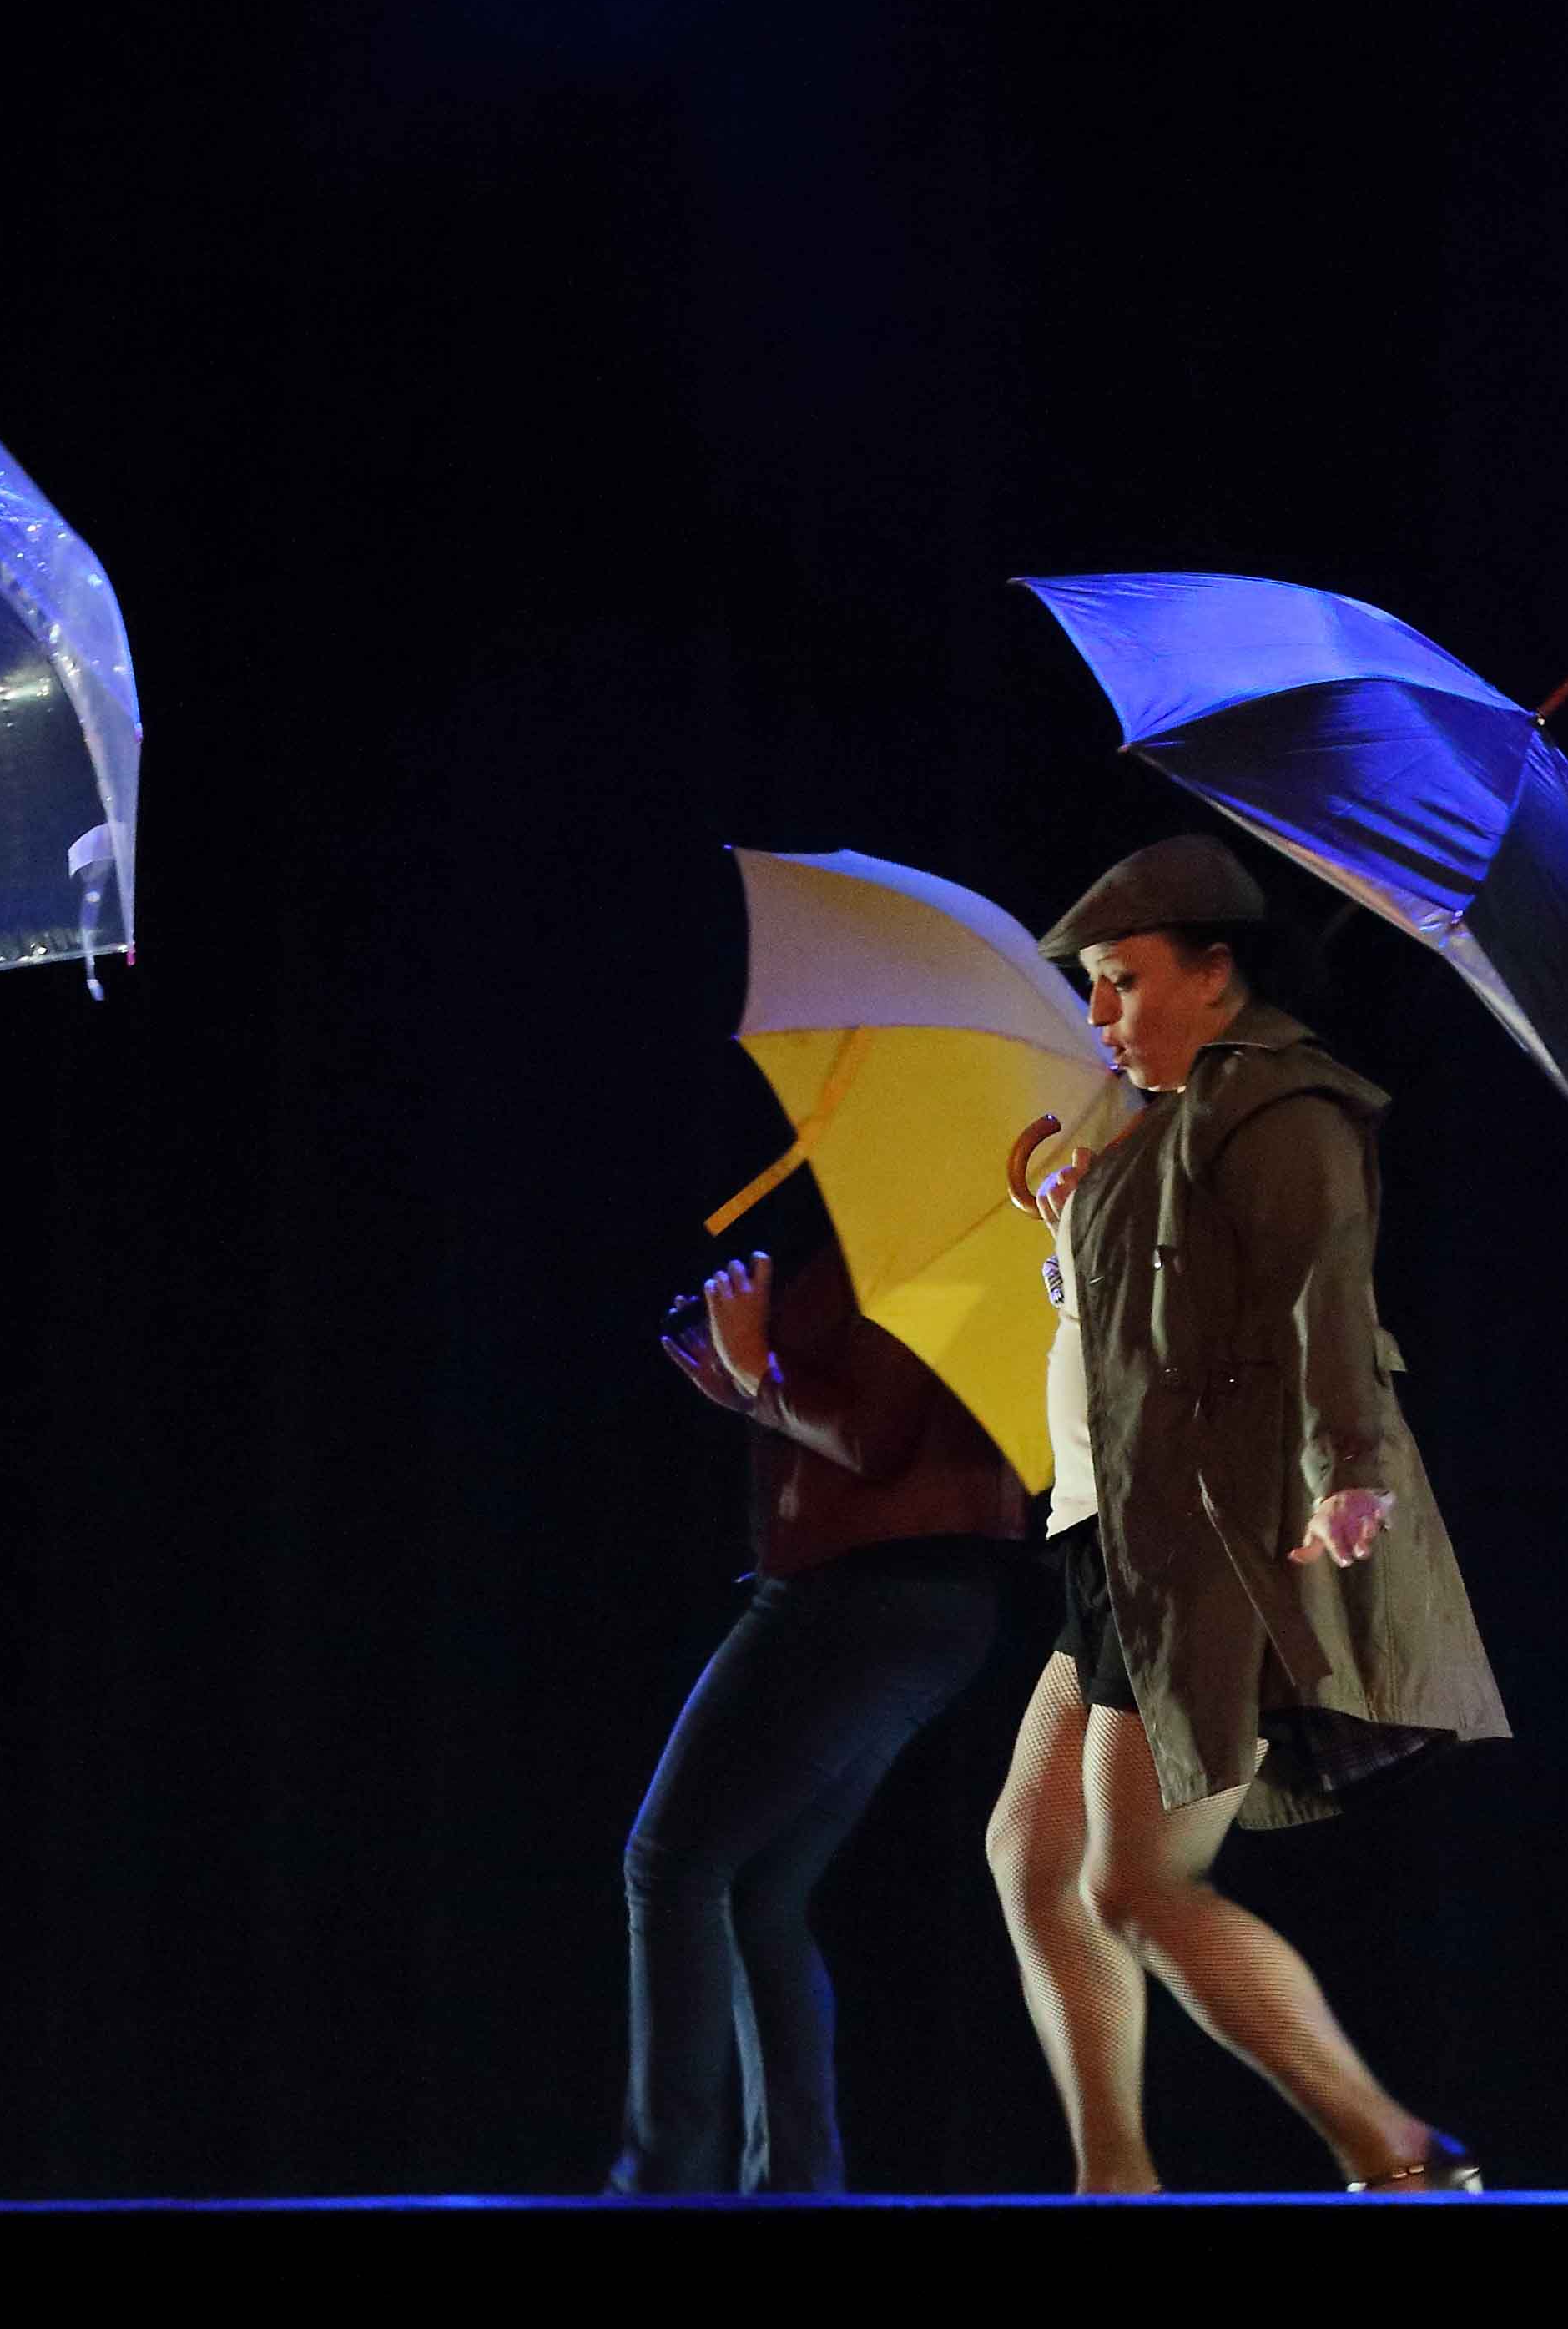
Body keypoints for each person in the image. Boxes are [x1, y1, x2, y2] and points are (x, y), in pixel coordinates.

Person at [982, 833, 1505, 2195]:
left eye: (1121, 982)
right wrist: (1069, 1220)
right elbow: (1146, 1323)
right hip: (1116, 1533)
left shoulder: (1279, 1108)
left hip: (1209, 1538)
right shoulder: (1170, 1117)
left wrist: (1347, 1464)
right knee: (1033, 1856)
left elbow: (1322, 1294)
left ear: (1217, 978)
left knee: (1138, 1885)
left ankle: (1390, 2147)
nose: (1099, 1017)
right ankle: (1115, 2177)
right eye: (1091, 988)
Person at [618, 1239, 1027, 2193]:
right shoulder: (868, 1250)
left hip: (869, 1595)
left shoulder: (922, 1252)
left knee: (670, 1864)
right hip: (908, 1601)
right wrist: (743, 1378)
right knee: (761, 1893)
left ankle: (657, 2181)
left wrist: (757, 1369)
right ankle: (796, 2187)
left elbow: (874, 1437)